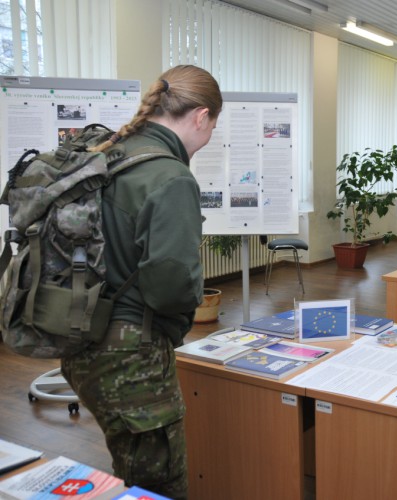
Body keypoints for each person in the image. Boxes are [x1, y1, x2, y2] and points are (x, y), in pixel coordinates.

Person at [60, 65, 222, 499]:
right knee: (158, 484)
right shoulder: (169, 176)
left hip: (80, 338)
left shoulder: (108, 151)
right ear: (201, 116)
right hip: (132, 359)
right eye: (212, 129)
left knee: (129, 465)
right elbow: (170, 286)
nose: (207, 141)